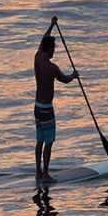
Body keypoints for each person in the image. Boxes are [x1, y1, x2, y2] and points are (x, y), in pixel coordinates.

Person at [34, 16, 78, 181]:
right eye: (53, 48)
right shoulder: (52, 68)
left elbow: (42, 40)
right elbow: (65, 79)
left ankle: (38, 172)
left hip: (37, 107)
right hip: (46, 109)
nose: (54, 51)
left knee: (39, 140)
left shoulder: (37, 59)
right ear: (48, 49)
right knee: (48, 142)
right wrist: (74, 75)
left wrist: (51, 25)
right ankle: (45, 174)